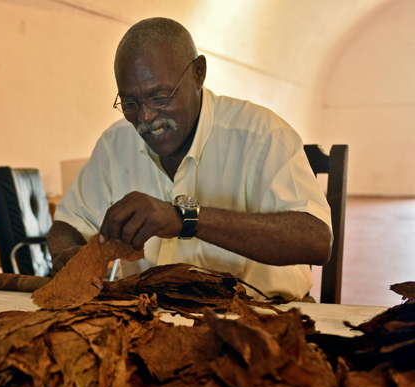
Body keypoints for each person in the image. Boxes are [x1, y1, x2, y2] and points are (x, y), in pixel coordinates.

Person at [47, 17, 332, 300]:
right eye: (130, 103)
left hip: (261, 316)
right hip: (148, 317)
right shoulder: (115, 143)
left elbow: (316, 241)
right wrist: (67, 255)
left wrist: (184, 219)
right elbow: (69, 225)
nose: (146, 117)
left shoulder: (263, 135)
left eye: (160, 96)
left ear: (199, 73)